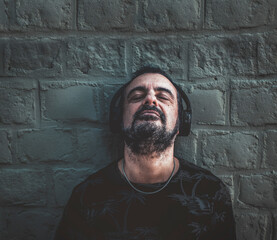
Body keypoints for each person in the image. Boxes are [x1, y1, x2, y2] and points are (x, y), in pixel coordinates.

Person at [54, 66, 236, 240]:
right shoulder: (88, 196)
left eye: (163, 97)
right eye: (137, 96)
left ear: (181, 122)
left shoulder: (210, 192)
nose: (150, 100)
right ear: (119, 119)